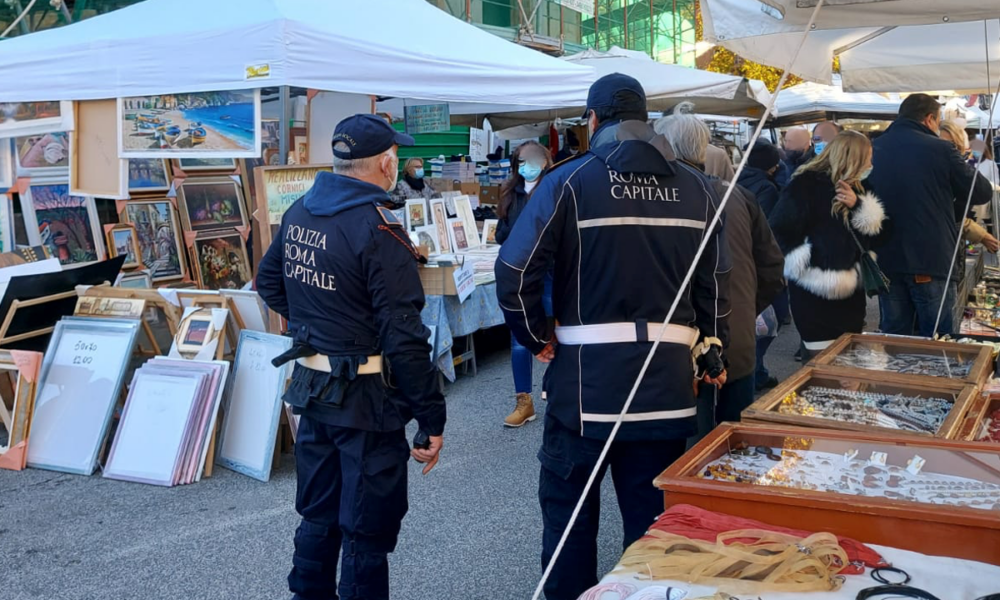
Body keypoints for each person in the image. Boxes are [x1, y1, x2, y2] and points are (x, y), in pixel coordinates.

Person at [495, 73, 729, 600]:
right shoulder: (696, 187)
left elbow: (513, 270)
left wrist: (535, 338)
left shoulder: (570, 180)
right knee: (653, 533)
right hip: (665, 389)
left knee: (569, 526)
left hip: (584, 393)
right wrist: (709, 346)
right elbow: (715, 281)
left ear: (593, 120)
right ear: (645, 122)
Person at [256, 114, 446, 600]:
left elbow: (269, 283)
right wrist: (431, 417)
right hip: (365, 398)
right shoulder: (378, 228)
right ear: (386, 163)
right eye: (395, 158)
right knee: (364, 530)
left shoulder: (301, 211)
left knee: (318, 512)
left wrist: (315, 325)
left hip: (315, 389)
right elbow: (404, 337)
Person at [655, 112, 784, 440]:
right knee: (735, 439)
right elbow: (772, 267)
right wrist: (742, 308)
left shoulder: (655, 198)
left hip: (680, 342)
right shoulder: (737, 194)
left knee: (690, 444)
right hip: (736, 332)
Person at [868, 94, 993, 337]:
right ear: (930, 119)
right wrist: (951, 207)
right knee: (938, 339)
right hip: (930, 257)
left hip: (885, 257)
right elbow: (981, 191)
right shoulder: (940, 148)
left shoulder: (873, 147)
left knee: (895, 336)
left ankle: (896, 376)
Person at [769, 130, 886, 357]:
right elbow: (779, 231)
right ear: (852, 158)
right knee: (821, 361)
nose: (871, 163)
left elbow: (880, 236)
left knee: (849, 359)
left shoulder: (863, 188)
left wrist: (858, 207)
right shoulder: (805, 184)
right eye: (868, 157)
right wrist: (807, 266)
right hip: (813, 292)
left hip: (852, 293)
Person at [495, 140, 554, 427]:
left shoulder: (555, 188)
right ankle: (524, 400)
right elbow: (500, 233)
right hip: (520, 276)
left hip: (551, 273)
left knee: (556, 333)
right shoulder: (510, 193)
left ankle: (557, 393)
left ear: (545, 162)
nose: (528, 166)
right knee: (520, 339)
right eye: (522, 160)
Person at [938, 121, 1000, 252]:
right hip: (939, 249)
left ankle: (970, 247)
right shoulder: (959, 166)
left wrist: (982, 236)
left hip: (951, 244)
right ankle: (970, 247)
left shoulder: (967, 166)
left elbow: (955, 216)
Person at [737, 141, 781, 215]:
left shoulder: (738, 178)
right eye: (776, 164)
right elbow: (764, 220)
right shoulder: (767, 188)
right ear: (771, 167)